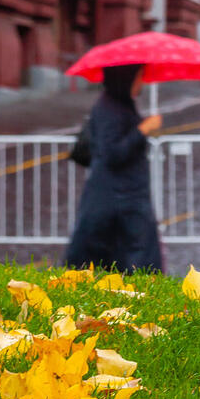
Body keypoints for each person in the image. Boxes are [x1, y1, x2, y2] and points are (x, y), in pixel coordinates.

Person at [65, 64, 165, 274]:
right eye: (139, 76)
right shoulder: (108, 108)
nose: (142, 82)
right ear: (125, 79)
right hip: (118, 197)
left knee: (134, 254)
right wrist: (142, 130)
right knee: (131, 256)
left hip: (124, 195)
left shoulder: (120, 104)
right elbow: (112, 153)